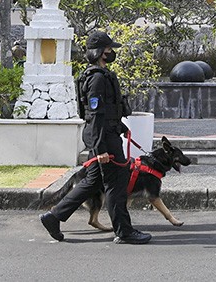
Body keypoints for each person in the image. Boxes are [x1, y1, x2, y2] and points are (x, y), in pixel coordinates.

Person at [40, 31, 152, 244]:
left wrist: (119, 126)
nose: (111, 52)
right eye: (109, 49)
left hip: (105, 134)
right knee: (117, 184)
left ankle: (53, 217)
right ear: (100, 52)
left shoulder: (99, 75)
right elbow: (95, 114)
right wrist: (101, 149)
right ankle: (124, 231)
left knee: (93, 182)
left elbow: (106, 111)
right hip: (103, 139)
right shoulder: (97, 79)